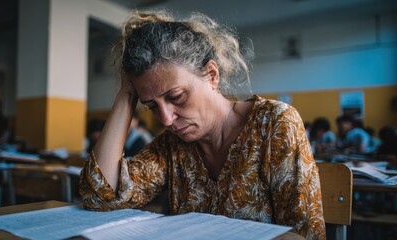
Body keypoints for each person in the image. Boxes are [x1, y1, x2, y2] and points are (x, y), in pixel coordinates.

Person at [80, 11, 325, 239]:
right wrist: (126, 95)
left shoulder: (273, 124)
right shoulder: (171, 145)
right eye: (151, 105)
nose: (166, 120)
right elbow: (100, 196)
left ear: (211, 75)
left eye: (176, 97)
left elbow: (304, 234)